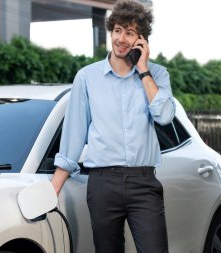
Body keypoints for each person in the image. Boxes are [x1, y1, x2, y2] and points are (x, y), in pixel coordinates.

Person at [51, 1, 175, 253]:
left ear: (141, 39)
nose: (121, 38)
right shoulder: (87, 77)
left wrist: (143, 71)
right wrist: (52, 190)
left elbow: (164, 116)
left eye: (130, 33)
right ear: (110, 31)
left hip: (144, 182)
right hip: (102, 183)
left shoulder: (157, 75)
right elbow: (74, 136)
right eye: (117, 30)